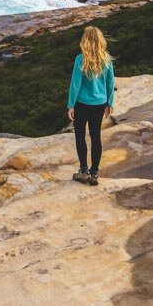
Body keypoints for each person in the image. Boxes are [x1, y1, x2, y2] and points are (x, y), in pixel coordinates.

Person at [67, 26, 114, 186]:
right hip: (99, 104)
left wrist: (70, 105)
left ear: (85, 41)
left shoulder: (80, 59)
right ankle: (94, 174)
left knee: (80, 136)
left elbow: (75, 84)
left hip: (82, 103)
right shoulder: (106, 59)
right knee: (96, 137)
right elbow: (110, 82)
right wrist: (110, 102)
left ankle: (83, 170)